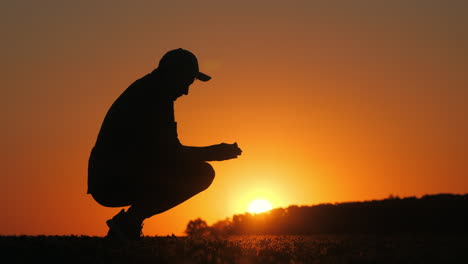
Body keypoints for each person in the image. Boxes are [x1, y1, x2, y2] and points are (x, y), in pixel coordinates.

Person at [87, 48, 242, 240]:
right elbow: (170, 154)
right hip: (112, 179)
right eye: (186, 82)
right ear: (172, 74)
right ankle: (128, 223)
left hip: (114, 174)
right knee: (201, 173)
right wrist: (214, 152)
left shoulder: (152, 92)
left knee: (197, 171)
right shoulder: (152, 98)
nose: (186, 91)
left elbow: (165, 152)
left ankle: (128, 224)